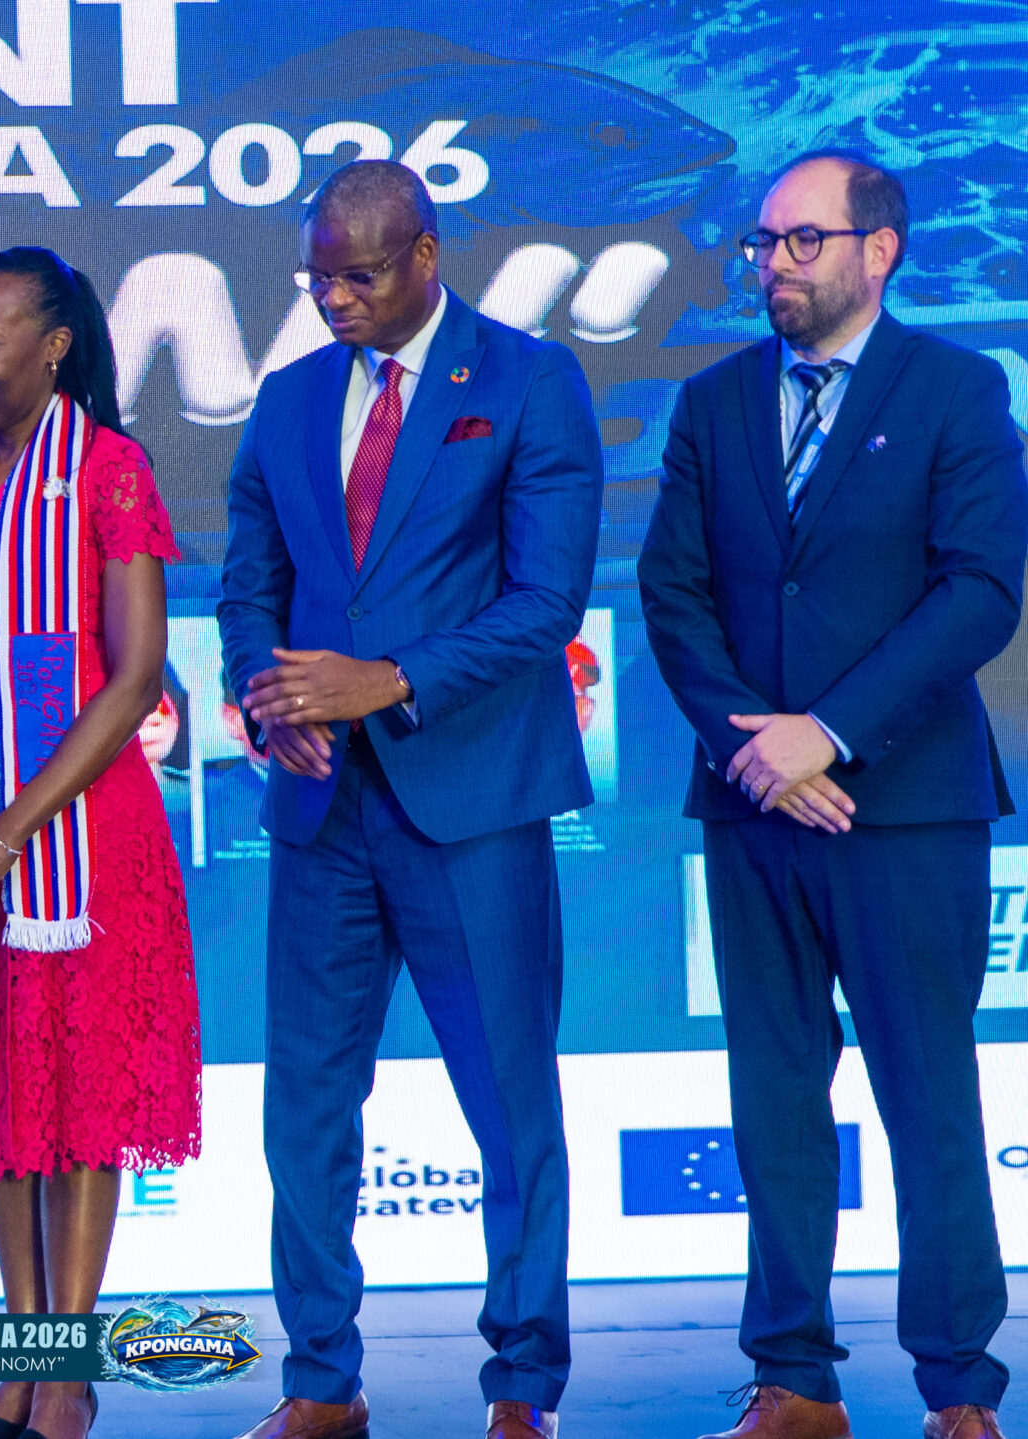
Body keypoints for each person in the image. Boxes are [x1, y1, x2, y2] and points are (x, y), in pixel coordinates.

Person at [638, 151, 1024, 1439]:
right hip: (752, 807)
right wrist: (756, 748)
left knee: (928, 1098)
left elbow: (979, 591)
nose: (774, 265)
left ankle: (957, 1387)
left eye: (802, 240)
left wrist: (829, 734)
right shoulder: (710, 403)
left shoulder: (960, 388)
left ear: (880, 249)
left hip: (902, 806)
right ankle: (793, 1380)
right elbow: (671, 593)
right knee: (774, 1103)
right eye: (762, 243)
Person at [216, 160, 602, 1439]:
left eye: (358, 275)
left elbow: (545, 601)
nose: (333, 298)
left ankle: (522, 1389)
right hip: (319, 816)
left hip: (471, 803)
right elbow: (247, 584)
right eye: (316, 277)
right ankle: (319, 1382)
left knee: (511, 1107)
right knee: (305, 1112)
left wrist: (381, 681)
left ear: (426, 255)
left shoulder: (528, 380)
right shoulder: (287, 397)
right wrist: (270, 695)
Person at [0, 246, 202, 1439]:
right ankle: (19, 1357)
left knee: (73, 1095)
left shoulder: (108, 472)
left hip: (72, 835)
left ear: (53, 345)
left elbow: (135, 678)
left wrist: (4, 837)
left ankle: (67, 1369)